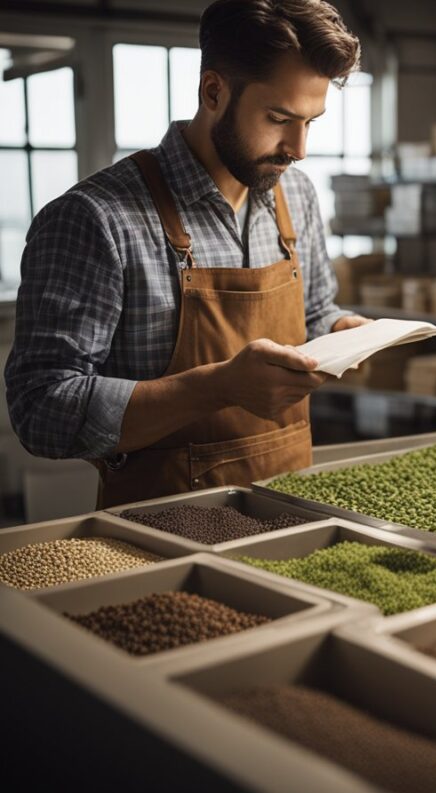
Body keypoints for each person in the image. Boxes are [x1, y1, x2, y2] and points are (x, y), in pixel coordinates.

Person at [5, 0, 369, 508]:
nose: (298, 148)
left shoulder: (297, 197)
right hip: (162, 533)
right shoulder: (96, 219)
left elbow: (314, 312)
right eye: (279, 118)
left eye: (311, 121)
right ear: (213, 91)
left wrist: (338, 331)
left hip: (291, 505)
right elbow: (39, 411)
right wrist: (218, 387)